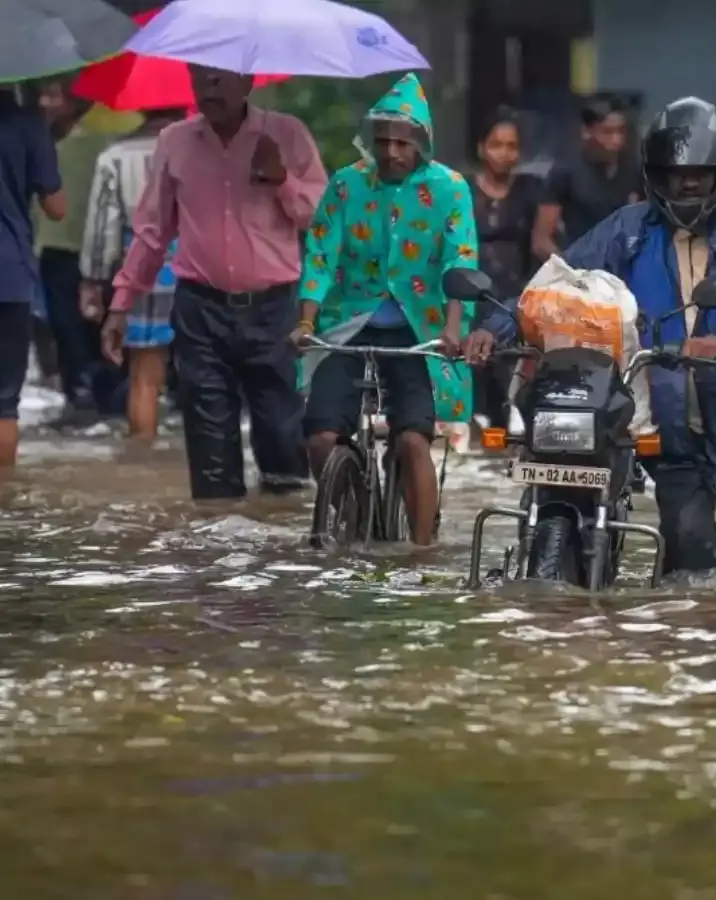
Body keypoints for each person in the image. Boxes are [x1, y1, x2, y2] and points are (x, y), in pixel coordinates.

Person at [468, 96, 716, 579]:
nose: (688, 182)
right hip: (670, 429)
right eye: (675, 173)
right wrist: (495, 329)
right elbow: (560, 285)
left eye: (701, 172)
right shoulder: (629, 229)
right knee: (691, 574)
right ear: (654, 173)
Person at [101, 65, 327, 500]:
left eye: (221, 77)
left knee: (283, 446)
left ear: (248, 82)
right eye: (200, 76)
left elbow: (323, 219)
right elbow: (152, 230)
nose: (209, 86)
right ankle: (212, 557)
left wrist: (283, 179)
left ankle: (284, 559)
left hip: (274, 310)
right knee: (210, 455)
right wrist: (121, 303)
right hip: (200, 310)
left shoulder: (287, 134)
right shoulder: (175, 141)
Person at [293, 74, 478, 547]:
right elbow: (320, 254)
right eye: (383, 142)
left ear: (421, 142)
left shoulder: (450, 188)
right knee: (319, 437)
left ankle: (421, 552)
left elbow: (461, 259)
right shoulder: (346, 184)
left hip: (421, 331)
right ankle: (349, 509)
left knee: (413, 439)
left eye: (402, 142)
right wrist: (307, 321)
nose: (392, 152)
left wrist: (454, 329)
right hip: (347, 325)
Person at [79, 107, 186, 441]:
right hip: (198, 264)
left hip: (142, 266)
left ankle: (143, 457)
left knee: (144, 375)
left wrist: (92, 280)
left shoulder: (115, 156)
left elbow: (102, 228)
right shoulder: (201, 149)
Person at [35, 83, 120, 427]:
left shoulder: (100, 140)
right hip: (55, 248)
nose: (45, 102)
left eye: (53, 95)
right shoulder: (38, 140)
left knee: (94, 327)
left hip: (95, 251)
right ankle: (78, 398)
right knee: (64, 328)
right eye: (43, 94)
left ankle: (104, 400)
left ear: (73, 101)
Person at [0, 86, 66, 468]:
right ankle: (5, 502)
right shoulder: (28, 126)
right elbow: (56, 208)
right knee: (5, 400)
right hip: (9, 275)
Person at [469, 105, 546, 427]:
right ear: (481, 148)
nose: (504, 153)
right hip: (468, 290)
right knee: (472, 369)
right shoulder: (461, 188)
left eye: (512, 146)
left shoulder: (531, 190)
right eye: (496, 145)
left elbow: (540, 242)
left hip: (513, 292)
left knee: (511, 377)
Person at [530, 93, 642, 258]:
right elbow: (542, 241)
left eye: (621, 132)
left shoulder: (632, 167)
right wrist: (569, 270)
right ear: (587, 131)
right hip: (578, 262)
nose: (616, 140)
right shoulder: (566, 169)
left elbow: (641, 223)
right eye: (607, 132)